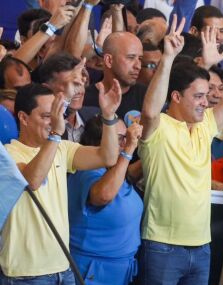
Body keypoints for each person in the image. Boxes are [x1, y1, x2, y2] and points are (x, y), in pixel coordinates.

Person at [137, 9, 223, 283]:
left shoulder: (206, 125)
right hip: (162, 247)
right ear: (176, 97)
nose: (207, 101)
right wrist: (167, 58)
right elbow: (150, 109)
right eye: (199, 96)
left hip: (202, 247)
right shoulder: (159, 127)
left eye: (207, 96)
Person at [0, 79, 122, 284]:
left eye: (57, 115)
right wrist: (55, 134)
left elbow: (108, 157)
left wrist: (109, 117)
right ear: (23, 118)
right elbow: (33, 180)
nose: (55, 122)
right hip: (25, 274)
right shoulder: (7, 155)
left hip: (62, 268)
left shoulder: (61, 148)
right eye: (48, 116)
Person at [67, 117, 143, 285]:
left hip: (119, 269)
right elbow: (103, 194)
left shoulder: (115, 170)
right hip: (93, 270)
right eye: (122, 138)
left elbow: (127, 175)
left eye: (127, 138)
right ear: (101, 142)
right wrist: (129, 150)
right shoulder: (86, 171)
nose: (125, 143)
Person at [83, 31, 146, 119]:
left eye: (140, 59)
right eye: (131, 58)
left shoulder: (146, 96)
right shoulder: (84, 98)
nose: (138, 66)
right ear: (109, 60)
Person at [39, 52, 99, 142]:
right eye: (68, 84)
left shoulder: (95, 115)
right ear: (46, 89)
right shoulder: (41, 124)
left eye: (79, 83)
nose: (77, 90)